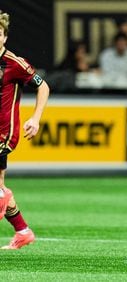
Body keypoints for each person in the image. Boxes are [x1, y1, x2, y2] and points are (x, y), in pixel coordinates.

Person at [0, 10, 50, 249]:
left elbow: (43, 87)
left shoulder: (15, 64)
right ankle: (23, 230)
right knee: (0, 190)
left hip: (4, 134)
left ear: (5, 37)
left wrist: (36, 118)